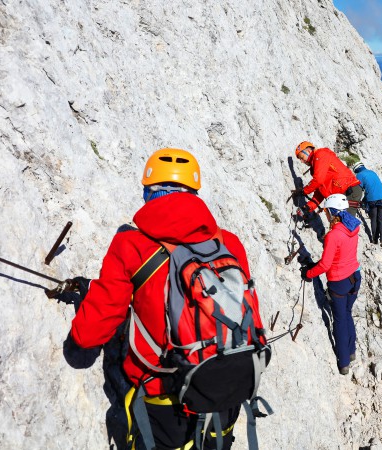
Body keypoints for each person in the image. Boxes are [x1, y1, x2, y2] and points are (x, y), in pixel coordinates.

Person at [68, 148, 266, 449]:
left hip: (163, 396)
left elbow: (90, 333)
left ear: (149, 193)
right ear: (194, 194)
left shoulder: (131, 244)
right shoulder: (229, 243)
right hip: (225, 384)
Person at [301, 194, 362, 375]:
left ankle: (344, 363)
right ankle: (351, 352)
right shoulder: (353, 226)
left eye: (326, 211)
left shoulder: (333, 235)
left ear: (332, 212)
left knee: (340, 320)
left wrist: (309, 273)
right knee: (348, 313)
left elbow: (326, 264)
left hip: (340, 282)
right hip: (355, 277)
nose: (325, 214)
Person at [294, 141, 363, 216]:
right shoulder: (315, 167)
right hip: (342, 193)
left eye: (302, 157)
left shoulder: (320, 155)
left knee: (345, 223)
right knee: (339, 223)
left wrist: (304, 191)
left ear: (308, 151)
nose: (301, 161)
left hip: (348, 190)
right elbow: (321, 191)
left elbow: (318, 180)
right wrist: (308, 207)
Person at [352, 162, 382, 246]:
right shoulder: (372, 172)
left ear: (356, 169)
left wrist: (357, 200)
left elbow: (359, 190)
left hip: (372, 199)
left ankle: (375, 239)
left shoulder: (359, 175)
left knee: (374, 218)